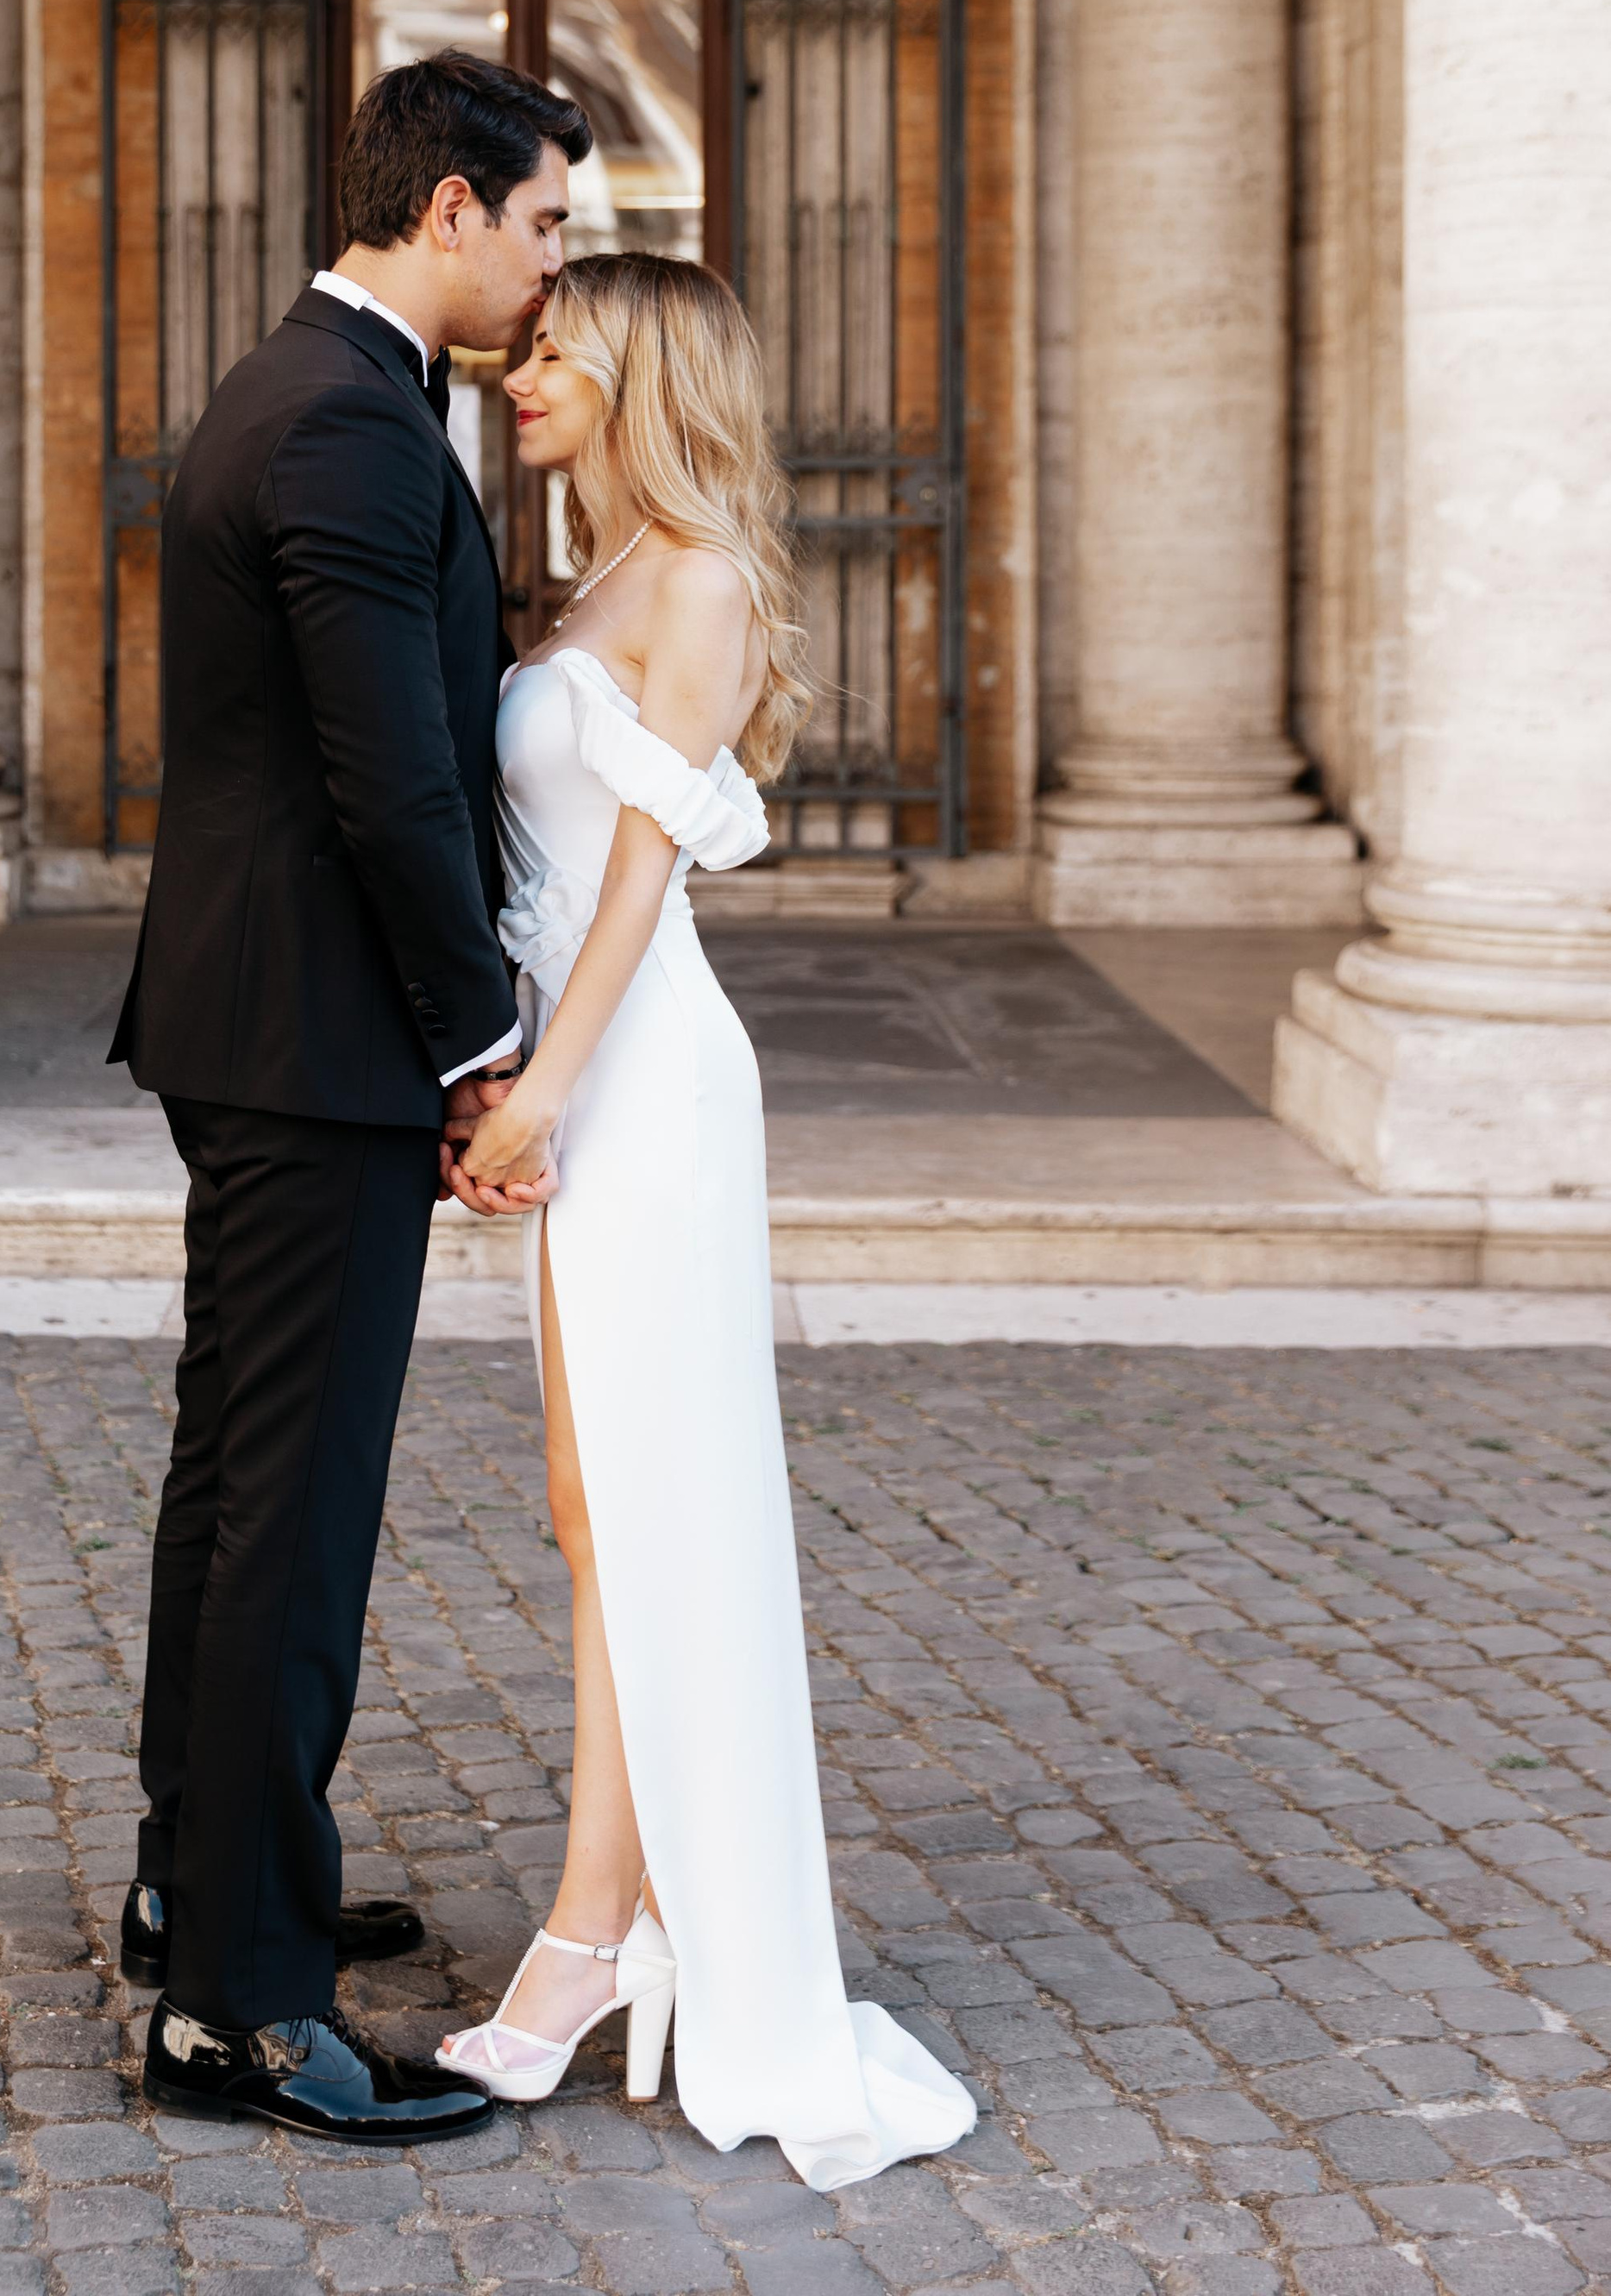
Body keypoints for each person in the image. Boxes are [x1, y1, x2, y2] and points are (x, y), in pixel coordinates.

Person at [434, 250, 980, 2191]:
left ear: (639, 371)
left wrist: (547, 1090)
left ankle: (595, 1936)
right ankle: (625, 1913)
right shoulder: (583, 580)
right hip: (573, 1063)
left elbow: (639, 887)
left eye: (554, 351)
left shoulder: (699, 584)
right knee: (594, 1506)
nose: (519, 370)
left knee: (640, 1502)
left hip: (642, 1075)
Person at [107, 48, 590, 2145]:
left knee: (236, 1484)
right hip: (313, 1047)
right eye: (551, 218)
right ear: (455, 207)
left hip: (258, 1024)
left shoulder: (314, 391)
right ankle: (237, 2008)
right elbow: (389, 781)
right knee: (288, 1524)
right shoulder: (349, 426)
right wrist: (481, 1031)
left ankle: (201, 1887)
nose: (560, 261)